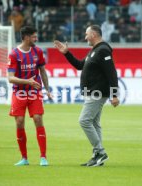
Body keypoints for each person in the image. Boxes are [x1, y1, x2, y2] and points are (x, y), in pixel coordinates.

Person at [54, 25, 119, 167]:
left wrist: (114, 94)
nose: (85, 37)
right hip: (93, 92)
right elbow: (79, 65)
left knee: (84, 121)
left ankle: (100, 152)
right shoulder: (95, 51)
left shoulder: (103, 50)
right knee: (94, 123)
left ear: (94, 35)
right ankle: (97, 156)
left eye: (86, 34)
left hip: (97, 92)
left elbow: (112, 73)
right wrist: (66, 53)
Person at [7, 26, 52, 166]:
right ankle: (24, 158)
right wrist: (28, 82)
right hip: (19, 92)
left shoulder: (37, 51)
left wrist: (47, 89)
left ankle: (43, 157)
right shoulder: (14, 54)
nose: (36, 39)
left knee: (38, 119)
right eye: (34, 36)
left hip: (34, 92)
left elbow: (43, 71)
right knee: (19, 122)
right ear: (26, 37)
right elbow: (10, 78)